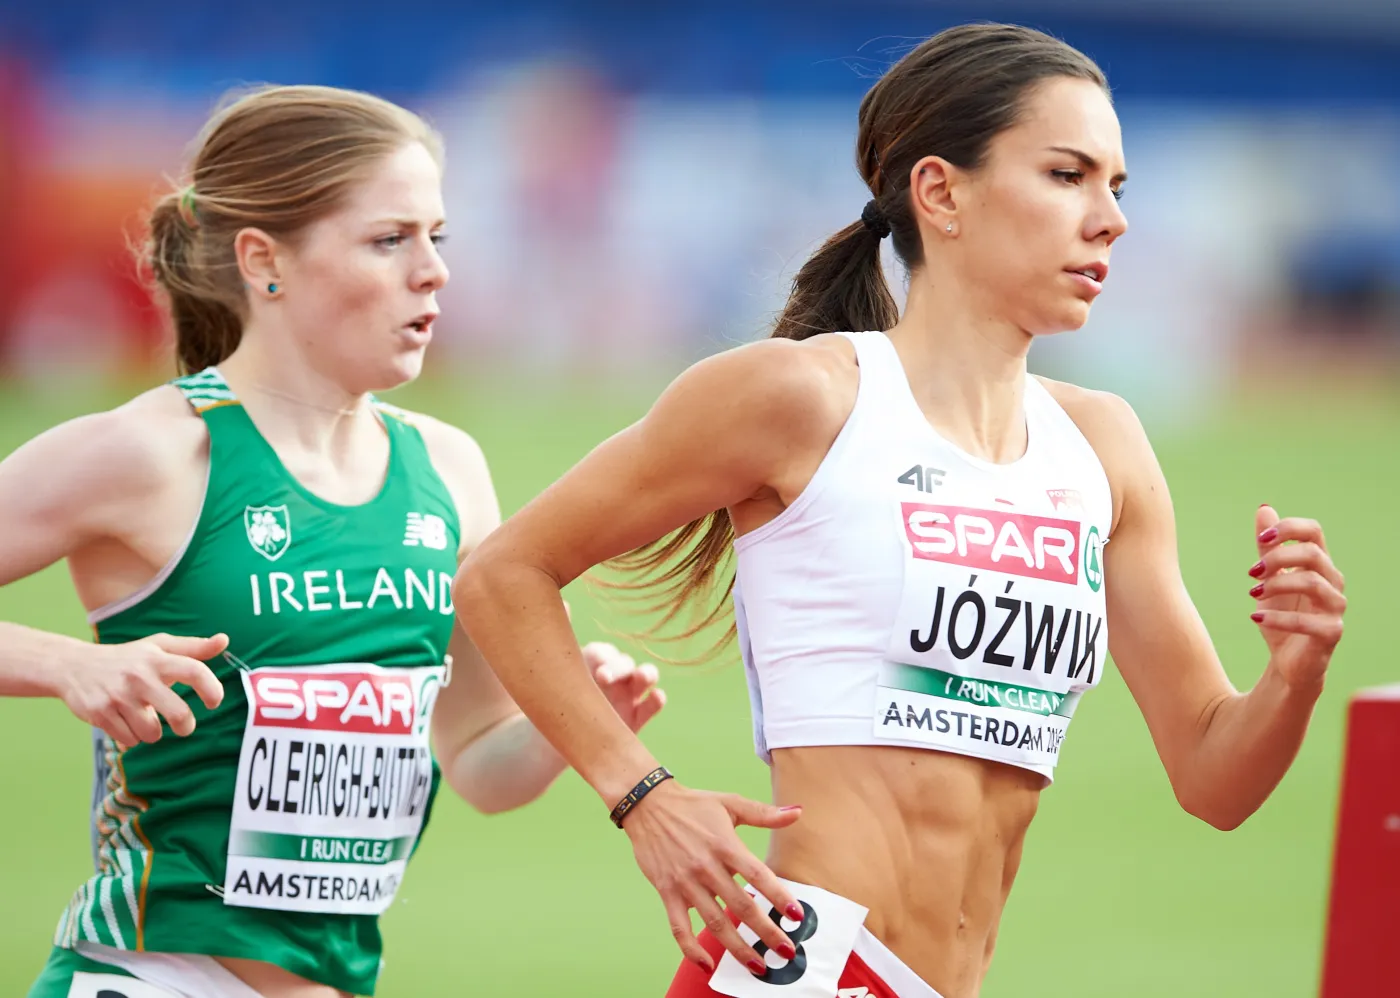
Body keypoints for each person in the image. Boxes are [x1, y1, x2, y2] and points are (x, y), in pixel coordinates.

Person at [454, 23, 1348, 998]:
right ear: (939, 191)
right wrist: (643, 795)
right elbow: (505, 572)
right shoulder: (801, 397)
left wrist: (1292, 671)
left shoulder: (1102, 446)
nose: (1108, 219)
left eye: (1116, 187)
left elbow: (1212, 779)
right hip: (806, 969)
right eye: (1065, 175)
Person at [1, 84, 665, 998]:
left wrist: (570, 723)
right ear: (264, 261)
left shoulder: (448, 470)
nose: (432, 270)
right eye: (390, 239)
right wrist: (65, 663)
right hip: (148, 977)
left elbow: (477, 761)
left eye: (439, 237)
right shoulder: (150, 453)